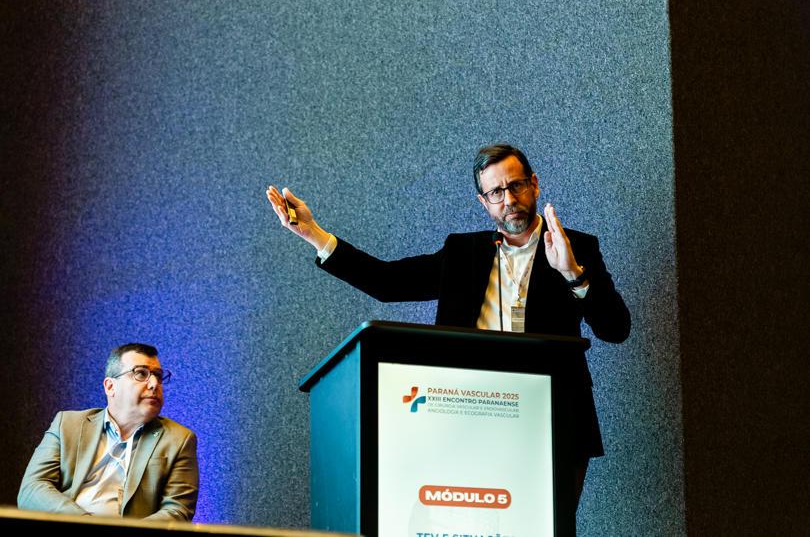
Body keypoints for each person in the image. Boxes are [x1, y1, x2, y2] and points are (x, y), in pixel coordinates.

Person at [266, 143, 630, 502]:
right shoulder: (463, 254)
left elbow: (616, 328)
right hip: (471, 417)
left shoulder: (576, 247)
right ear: (483, 202)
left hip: (555, 417)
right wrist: (313, 233)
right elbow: (388, 282)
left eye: (516, 185)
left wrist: (573, 274)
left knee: (552, 525)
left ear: (534, 184)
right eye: (496, 192)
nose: (508, 199)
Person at [17, 343, 199, 520]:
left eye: (158, 376)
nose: (154, 384)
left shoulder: (179, 439)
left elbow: (177, 511)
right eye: (141, 373)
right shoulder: (67, 424)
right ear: (110, 386)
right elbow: (32, 489)